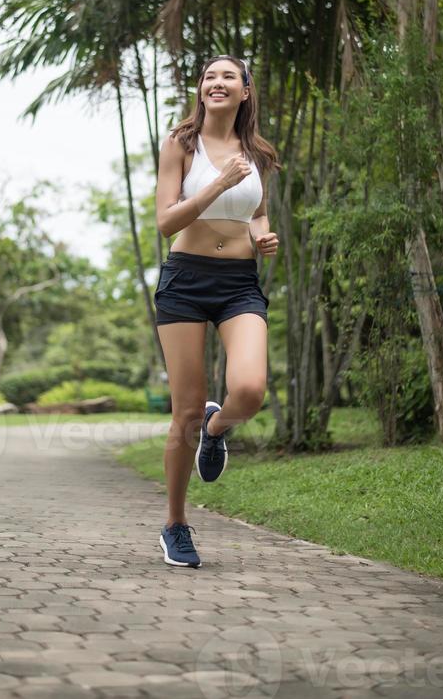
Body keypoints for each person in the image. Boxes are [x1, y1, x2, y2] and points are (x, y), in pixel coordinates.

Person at [155, 55, 282, 568]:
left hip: (239, 285)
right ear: (201, 90)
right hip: (185, 280)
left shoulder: (256, 152)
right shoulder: (180, 145)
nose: (217, 82)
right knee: (183, 411)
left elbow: (257, 209)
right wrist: (217, 184)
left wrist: (261, 234)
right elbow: (166, 222)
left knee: (250, 390)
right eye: (209, 76)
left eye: (228, 76)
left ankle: (217, 429)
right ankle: (175, 525)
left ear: (245, 91)